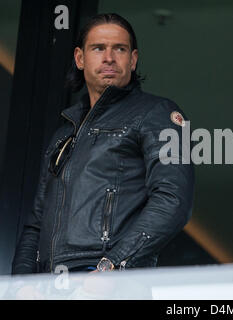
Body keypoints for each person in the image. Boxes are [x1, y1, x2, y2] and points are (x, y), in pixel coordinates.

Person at [12, 13, 195, 274]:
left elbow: (172, 199)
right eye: (98, 48)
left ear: (132, 60)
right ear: (80, 58)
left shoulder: (157, 114)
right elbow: (36, 223)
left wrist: (113, 264)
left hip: (106, 279)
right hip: (50, 285)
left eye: (119, 49)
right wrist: (21, 285)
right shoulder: (64, 133)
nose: (109, 57)